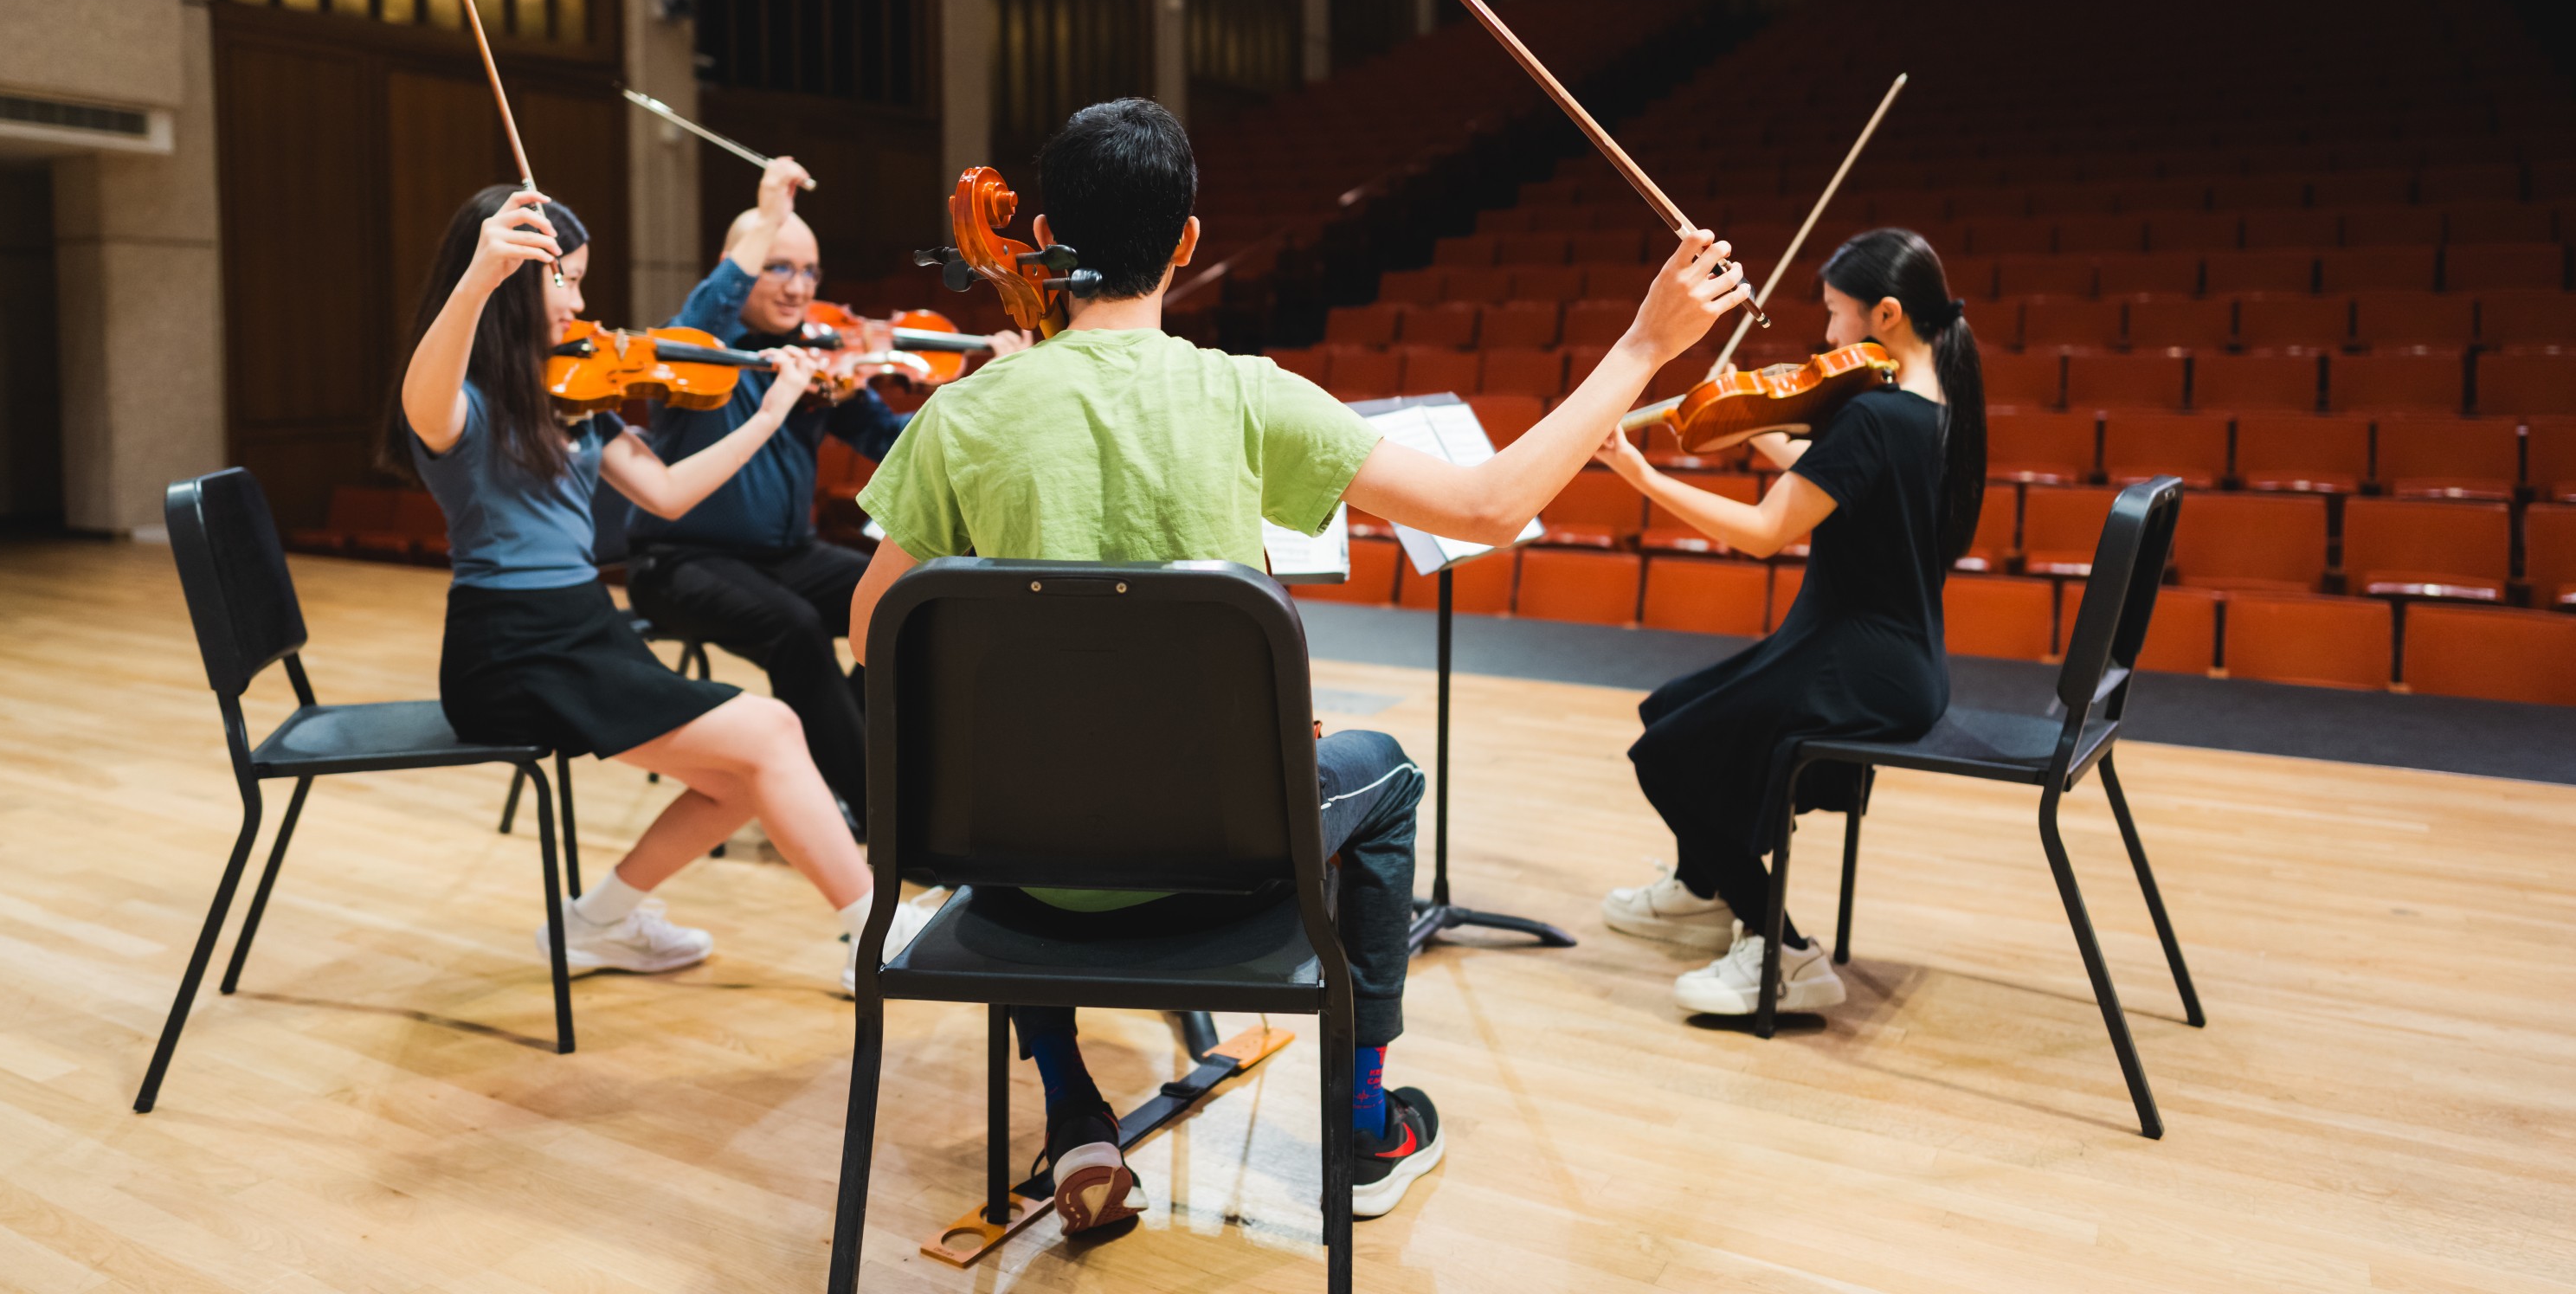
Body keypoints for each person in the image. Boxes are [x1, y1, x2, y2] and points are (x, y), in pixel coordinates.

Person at [846, 99, 1754, 1235]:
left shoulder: (960, 419)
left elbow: (871, 630)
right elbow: (1490, 505)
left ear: (1042, 237)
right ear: (1185, 241)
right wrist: (1643, 345)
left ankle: (1074, 1106)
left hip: (1019, 868)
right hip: (1223, 859)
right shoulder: (1244, 397)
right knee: (1391, 781)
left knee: (1022, 777)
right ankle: (1366, 1125)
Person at [386, 183, 927, 985]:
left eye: (579, 279)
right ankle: (875, 930)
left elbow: (670, 493)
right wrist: (480, 274)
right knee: (775, 732)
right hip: (511, 648)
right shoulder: (461, 409)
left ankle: (595, 922)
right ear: (508, 281)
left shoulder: (572, 402)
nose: (579, 301)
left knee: (746, 776)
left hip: (580, 629)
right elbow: (420, 399)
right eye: (562, 278)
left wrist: (772, 411)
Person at [1588, 228, 1987, 1019]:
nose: (1826, 337)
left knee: (1666, 756)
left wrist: (1640, 475)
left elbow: (1768, 531)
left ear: (1887, 316)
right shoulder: (1939, 413)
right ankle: (1704, 887)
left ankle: (1783, 951)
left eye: (1837, 316)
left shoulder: (1872, 416)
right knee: (1670, 709)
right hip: (1904, 662)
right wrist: (1756, 419)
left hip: (1856, 658)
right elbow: (1839, 480)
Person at [624, 158, 1024, 825]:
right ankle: (878, 810)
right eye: (779, 266)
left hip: (785, 556)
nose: (797, 287)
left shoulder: (818, 362)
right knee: (796, 628)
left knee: (909, 599)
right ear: (740, 262)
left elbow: (898, 441)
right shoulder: (696, 346)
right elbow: (711, 304)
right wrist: (770, 216)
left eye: (809, 272)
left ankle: (824, 769)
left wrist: (994, 388)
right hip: (680, 562)